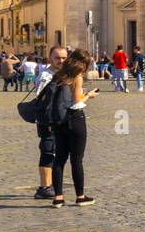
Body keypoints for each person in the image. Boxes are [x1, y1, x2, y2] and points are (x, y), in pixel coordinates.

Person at [45, 49, 97, 208]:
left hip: (58, 120)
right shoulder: (77, 76)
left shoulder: (59, 74)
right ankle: (80, 197)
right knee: (76, 160)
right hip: (74, 119)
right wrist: (89, 95)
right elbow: (76, 101)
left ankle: (58, 198)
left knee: (59, 159)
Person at [29, 46, 66, 201]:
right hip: (48, 119)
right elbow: (42, 100)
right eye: (57, 58)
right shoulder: (46, 75)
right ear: (50, 58)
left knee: (57, 151)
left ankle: (52, 184)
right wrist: (49, 120)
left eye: (64, 58)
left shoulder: (63, 74)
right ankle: (44, 187)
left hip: (61, 119)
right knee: (48, 150)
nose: (61, 61)